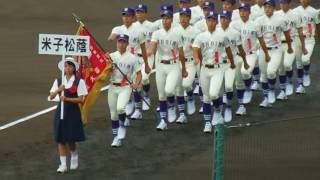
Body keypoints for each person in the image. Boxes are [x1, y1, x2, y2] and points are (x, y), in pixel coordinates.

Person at [193, 11, 236, 133]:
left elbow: (228, 51)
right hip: (205, 69)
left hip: (218, 69)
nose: (211, 22)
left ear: (216, 22)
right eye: (209, 20)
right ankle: (207, 123)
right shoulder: (201, 36)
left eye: (213, 20)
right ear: (206, 22)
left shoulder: (222, 36)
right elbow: (195, 48)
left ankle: (217, 111)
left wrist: (232, 63)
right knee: (206, 98)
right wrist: (196, 58)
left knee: (213, 94)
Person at [108, 7, 150, 122]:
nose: (126, 18)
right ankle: (129, 103)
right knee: (125, 84)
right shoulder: (118, 28)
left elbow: (143, 49)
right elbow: (110, 38)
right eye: (124, 16)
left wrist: (146, 64)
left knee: (135, 85)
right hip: (122, 61)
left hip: (135, 61)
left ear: (132, 17)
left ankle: (138, 110)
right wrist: (113, 37)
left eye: (128, 16)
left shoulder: (139, 32)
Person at [149, 9, 188, 130]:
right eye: (163, 18)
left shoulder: (177, 35)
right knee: (161, 95)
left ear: (171, 20)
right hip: (160, 66)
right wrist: (149, 53)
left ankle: (172, 106)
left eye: (167, 18)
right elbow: (153, 48)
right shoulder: (157, 34)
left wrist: (184, 69)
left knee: (169, 90)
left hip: (173, 66)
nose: (165, 20)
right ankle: (163, 121)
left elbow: (181, 53)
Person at [49, 57, 88, 173]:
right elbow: (51, 96)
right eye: (66, 66)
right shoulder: (58, 81)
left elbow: (81, 99)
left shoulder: (79, 81)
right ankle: (63, 165)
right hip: (60, 111)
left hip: (73, 112)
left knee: (71, 138)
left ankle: (74, 155)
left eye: (70, 66)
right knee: (60, 138)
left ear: (74, 68)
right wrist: (58, 90)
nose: (67, 68)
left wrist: (67, 98)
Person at [255, 0, 293, 108]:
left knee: (271, 72)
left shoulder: (280, 20)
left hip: (277, 49)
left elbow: (287, 34)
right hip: (263, 49)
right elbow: (259, 38)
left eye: (270, 7)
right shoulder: (259, 21)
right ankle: (266, 98)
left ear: (274, 8)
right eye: (265, 7)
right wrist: (264, 52)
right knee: (264, 75)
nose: (267, 9)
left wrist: (289, 47)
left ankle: (271, 90)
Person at [107, 34, 142, 147]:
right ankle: (116, 138)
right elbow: (104, 72)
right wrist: (106, 61)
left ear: (127, 44)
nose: (120, 44)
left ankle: (122, 125)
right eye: (119, 42)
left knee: (120, 108)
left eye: (123, 42)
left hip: (125, 87)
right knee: (113, 115)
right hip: (112, 87)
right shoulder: (111, 56)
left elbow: (139, 74)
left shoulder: (132, 58)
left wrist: (136, 84)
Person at [219, 10, 249, 122]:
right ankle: (222, 109)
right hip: (220, 63)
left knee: (231, 85)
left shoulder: (235, 33)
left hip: (234, 60)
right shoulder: (216, 32)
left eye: (225, 18)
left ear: (229, 20)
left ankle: (233, 107)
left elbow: (241, 49)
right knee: (221, 88)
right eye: (221, 17)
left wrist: (245, 62)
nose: (223, 20)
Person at [174, 8, 201, 124]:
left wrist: (197, 58)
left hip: (190, 62)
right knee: (178, 88)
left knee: (186, 84)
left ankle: (190, 97)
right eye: (181, 16)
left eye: (186, 16)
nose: (183, 19)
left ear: (190, 18)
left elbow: (200, 47)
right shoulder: (174, 31)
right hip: (177, 62)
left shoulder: (196, 32)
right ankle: (182, 114)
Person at [275, 0, 306, 99]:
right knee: (280, 69)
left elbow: (300, 31)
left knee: (288, 64)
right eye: (281, 3)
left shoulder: (295, 15)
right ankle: (283, 91)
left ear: (289, 4)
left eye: (285, 3)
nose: (282, 5)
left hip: (292, 42)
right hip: (279, 44)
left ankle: (290, 82)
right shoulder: (276, 14)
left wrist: (303, 46)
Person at [293, 0, 320, 93]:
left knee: (305, 59)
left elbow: (317, 25)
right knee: (299, 63)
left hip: (309, 39)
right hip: (297, 38)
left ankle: (306, 73)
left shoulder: (313, 11)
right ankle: (300, 85)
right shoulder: (295, 11)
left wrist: (318, 37)